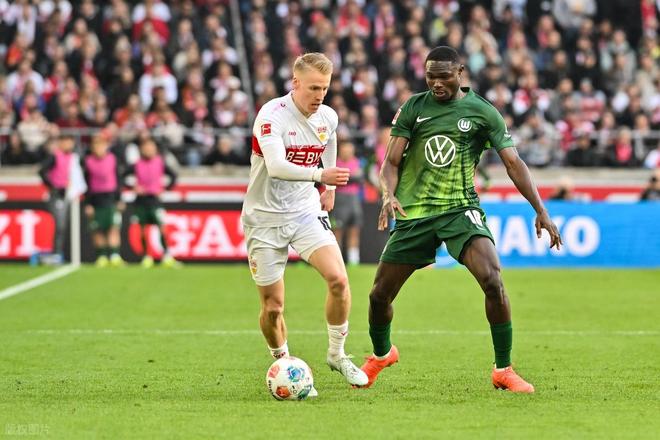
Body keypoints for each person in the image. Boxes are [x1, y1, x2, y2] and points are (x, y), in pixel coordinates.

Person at [359, 46, 562, 393]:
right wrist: (388, 194)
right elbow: (391, 162)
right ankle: (382, 354)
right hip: (415, 212)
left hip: (459, 210)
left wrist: (540, 210)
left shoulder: (483, 112)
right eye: (430, 77)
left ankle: (503, 369)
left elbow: (513, 163)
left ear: (460, 73)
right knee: (379, 296)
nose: (436, 83)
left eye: (444, 76)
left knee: (493, 280)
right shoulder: (413, 107)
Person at [241, 52, 368, 393]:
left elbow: (330, 138)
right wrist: (319, 175)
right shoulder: (272, 116)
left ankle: (337, 355)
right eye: (313, 88)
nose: (320, 95)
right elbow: (276, 166)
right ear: (295, 83)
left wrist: (328, 189)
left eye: (325, 88)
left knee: (339, 279)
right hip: (264, 219)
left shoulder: (327, 116)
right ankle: (284, 364)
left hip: (305, 212)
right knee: (273, 307)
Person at [123, 137, 179, 268]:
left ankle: (167, 256)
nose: (148, 150)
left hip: (155, 200)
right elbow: (122, 176)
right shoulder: (137, 164)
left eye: (151, 147)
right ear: (141, 150)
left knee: (162, 227)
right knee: (142, 230)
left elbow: (173, 176)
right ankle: (146, 256)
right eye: (146, 147)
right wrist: (133, 187)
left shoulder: (160, 162)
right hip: (141, 201)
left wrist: (165, 188)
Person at [83, 134, 124, 267]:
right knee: (97, 229)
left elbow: (119, 180)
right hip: (95, 198)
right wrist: (88, 203)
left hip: (110, 198)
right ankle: (102, 256)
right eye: (95, 145)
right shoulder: (87, 161)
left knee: (113, 227)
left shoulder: (113, 159)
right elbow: (85, 183)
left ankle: (114, 255)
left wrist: (119, 199)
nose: (98, 148)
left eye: (101, 144)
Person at [38, 134, 76, 264]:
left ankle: (58, 252)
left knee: (63, 225)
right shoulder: (55, 156)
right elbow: (42, 171)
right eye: (66, 142)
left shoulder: (72, 157)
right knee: (59, 224)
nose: (68, 145)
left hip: (67, 194)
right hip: (56, 195)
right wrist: (52, 186)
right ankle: (56, 253)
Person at [331, 140, 364, 265]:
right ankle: (336, 260)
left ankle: (354, 261)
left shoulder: (357, 162)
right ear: (340, 151)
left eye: (350, 150)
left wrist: (347, 178)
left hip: (354, 200)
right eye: (345, 150)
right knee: (337, 231)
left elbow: (360, 178)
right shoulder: (334, 163)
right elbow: (336, 179)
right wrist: (352, 177)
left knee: (354, 230)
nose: (348, 152)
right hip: (340, 199)